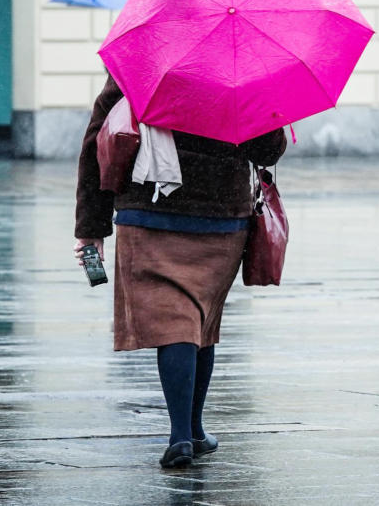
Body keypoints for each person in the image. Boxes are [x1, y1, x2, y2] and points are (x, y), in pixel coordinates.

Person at [74, 76, 287, 468]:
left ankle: (180, 436)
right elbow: (267, 149)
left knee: (176, 323)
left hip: (149, 208)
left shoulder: (141, 61)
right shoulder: (240, 66)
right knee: (200, 319)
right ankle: (194, 430)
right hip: (222, 215)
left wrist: (91, 228)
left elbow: (98, 140)